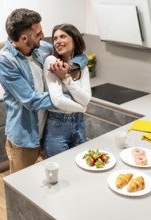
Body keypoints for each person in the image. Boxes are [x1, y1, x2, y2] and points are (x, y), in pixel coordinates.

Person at [0, 8, 87, 174]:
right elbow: (31, 100)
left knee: (56, 179)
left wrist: (73, 66)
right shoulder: (5, 61)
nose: (43, 36)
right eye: (38, 33)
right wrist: (71, 97)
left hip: (49, 129)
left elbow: (78, 53)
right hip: (25, 139)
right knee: (22, 187)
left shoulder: (41, 48)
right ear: (24, 38)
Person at [43, 24, 92, 158]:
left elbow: (86, 99)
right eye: (55, 38)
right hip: (57, 126)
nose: (58, 41)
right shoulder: (52, 62)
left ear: (74, 40)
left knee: (80, 166)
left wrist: (65, 78)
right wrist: (83, 108)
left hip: (79, 123)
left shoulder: (82, 67)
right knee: (59, 170)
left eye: (62, 36)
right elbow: (58, 101)